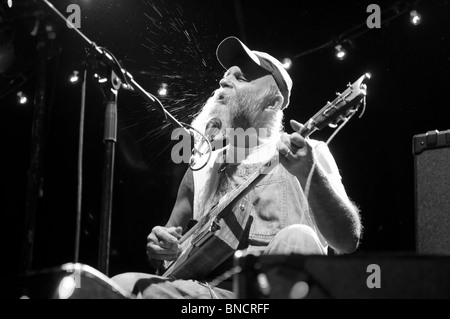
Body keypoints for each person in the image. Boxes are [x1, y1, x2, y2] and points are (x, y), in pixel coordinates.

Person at [111, 36, 362, 299]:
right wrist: (160, 247)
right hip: (207, 296)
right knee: (123, 285)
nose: (223, 81)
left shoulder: (308, 154)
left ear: (272, 102)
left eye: (241, 78)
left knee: (298, 238)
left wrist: (311, 173)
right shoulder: (201, 168)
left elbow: (347, 241)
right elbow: (166, 255)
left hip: (277, 290)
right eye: (226, 75)